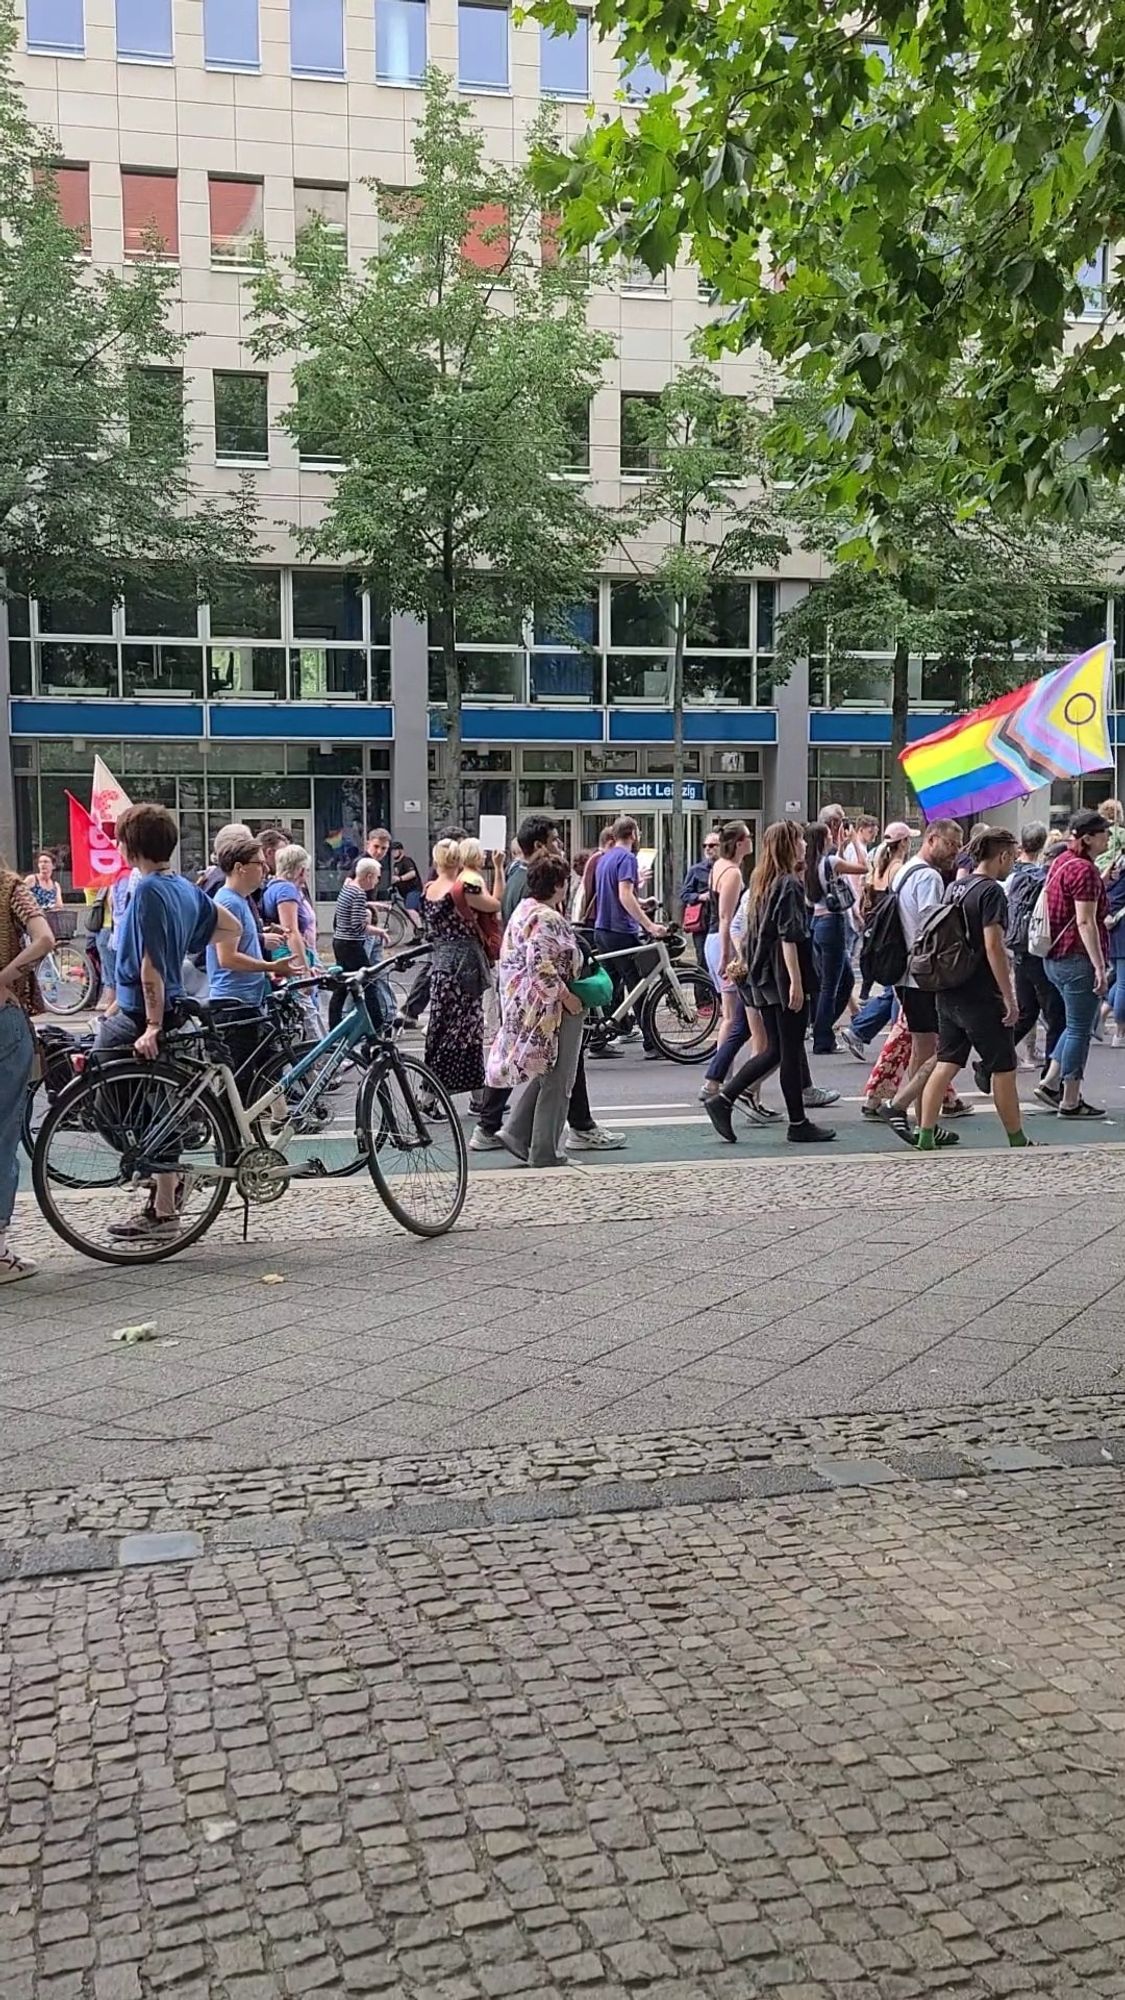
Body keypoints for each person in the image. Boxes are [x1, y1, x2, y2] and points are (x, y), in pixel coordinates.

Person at [96, 803, 238, 1242]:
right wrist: (190, 943)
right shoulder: (182, 887)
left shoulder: (147, 891)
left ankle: (161, 1180)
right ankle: (164, 1195)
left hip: (144, 1010)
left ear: (130, 845)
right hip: (161, 1004)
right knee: (158, 1104)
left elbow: (149, 965)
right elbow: (228, 926)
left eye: (119, 839)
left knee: (106, 1096)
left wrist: (151, 1024)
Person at [703, 819, 836, 1146]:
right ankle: (797, 1122)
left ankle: (725, 1099)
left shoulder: (763, 879)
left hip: (765, 976)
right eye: (801, 841)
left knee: (778, 1049)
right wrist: (796, 982)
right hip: (783, 975)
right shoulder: (789, 883)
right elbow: (788, 935)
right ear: (791, 845)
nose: (805, 845)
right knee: (788, 1051)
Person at [914, 827, 1032, 1150]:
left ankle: (925, 1133)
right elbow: (993, 945)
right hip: (980, 993)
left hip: (949, 988)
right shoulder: (992, 891)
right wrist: (1008, 996)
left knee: (946, 1062)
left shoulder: (956, 886)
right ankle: (1017, 1138)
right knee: (1004, 1067)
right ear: (1004, 856)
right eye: (1012, 857)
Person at [486, 854, 587, 1167]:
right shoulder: (547, 917)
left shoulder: (523, 910)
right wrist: (566, 996)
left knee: (546, 1071)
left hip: (522, 1002)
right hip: (549, 1007)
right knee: (560, 1077)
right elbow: (541, 964)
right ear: (558, 885)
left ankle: (516, 1131)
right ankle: (545, 1151)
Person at [874, 817, 964, 1144]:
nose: (954, 851)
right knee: (928, 1049)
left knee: (921, 1046)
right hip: (923, 972)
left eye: (957, 845)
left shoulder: (906, 870)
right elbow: (932, 923)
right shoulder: (928, 877)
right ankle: (919, 1116)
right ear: (932, 839)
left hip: (905, 970)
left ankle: (919, 1115)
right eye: (950, 844)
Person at [206, 831, 292, 1103]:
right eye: (260, 864)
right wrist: (271, 965)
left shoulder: (239, 900)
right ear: (240, 868)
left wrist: (261, 937)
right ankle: (232, 1139)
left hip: (247, 1001)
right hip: (234, 1005)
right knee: (239, 1082)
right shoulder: (228, 901)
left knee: (267, 1067)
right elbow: (227, 958)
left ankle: (279, 1118)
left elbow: (238, 943)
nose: (266, 869)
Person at [1036, 808, 1111, 1117]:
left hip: (1053, 956)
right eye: (1104, 833)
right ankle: (1070, 1097)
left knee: (1075, 1024)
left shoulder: (1063, 862)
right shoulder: (1084, 870)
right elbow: (1085, 921)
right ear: (1089, 838)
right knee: (1080, 1028)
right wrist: (1098, 966)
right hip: (1076, 957)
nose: (1109, 837)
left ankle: (1052, 1081)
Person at [0, 862, 54, 1279]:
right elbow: (44, 939)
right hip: (4, 1018)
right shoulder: (10, 887)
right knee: (2, 1134)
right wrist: (3, 978)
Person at [421, 836, 500, 1098]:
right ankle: (440, 1095)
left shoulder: (429, 889)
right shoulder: (462, 890)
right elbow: (495, 904)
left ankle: (437, 1092)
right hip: (466, 966)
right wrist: (499, 870)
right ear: (459, 861)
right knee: (467, 1029)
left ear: (436, 860)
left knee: (441, 1028)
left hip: (441, 965)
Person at [593, 816, 668, 1056]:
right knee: (639, 986)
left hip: (602, 929)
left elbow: (614, 894)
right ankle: (651, 1043)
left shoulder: (605, 858)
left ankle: (599, 1038)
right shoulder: (627, 858)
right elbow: (624, 894)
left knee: (612, 986)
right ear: (634, 834)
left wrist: (643, 902)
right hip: (621, 930)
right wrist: (649, 925)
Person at [998, 820, 1063, 1078]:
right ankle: (1051, 1078)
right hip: (1036, 948)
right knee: (1055, 1014)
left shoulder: (1012, 875)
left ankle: (994, 1058)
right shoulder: (1040, 876)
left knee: (1027, 1010)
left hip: (1016, 944)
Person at [805, 820, 867, 1055]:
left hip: (817, 922)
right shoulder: (829, 862)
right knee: (830, 985)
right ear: (822, 840)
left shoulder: (810, 865)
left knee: (845, 979)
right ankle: (823, 1036)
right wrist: (854, 842)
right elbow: (863, 867)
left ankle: (822, 1025)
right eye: (829, 836)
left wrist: (840, 846)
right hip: (832, 922)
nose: (833, 838)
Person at [704, 820, 753, 1055]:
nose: (752, 841)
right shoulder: (732, 872)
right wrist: (727, 956)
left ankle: (721, 1070)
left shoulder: (720, 866)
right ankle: (720, 1071)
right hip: (722, 942)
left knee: (731, 1014)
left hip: (714, 940)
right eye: (749, 837)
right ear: (739, 843)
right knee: (731, 1017)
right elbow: (726, 917)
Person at [330, 857, 386, 1030]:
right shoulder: (359, 893)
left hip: (340, 941)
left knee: (342, 984)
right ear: (368, 876)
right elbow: (357, 926)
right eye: (377, 877)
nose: (377, 882)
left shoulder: (348, 888)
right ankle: (377, 1024)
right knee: (369, 982)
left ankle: (334, 1023)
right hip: (351, 944)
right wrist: (379, 931)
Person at [501, 814, 560, 925]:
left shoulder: (515, 875)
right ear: (538, 845)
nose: (560, 845)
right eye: (554, 840)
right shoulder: (535, 883)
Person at [680, 830, 720, 968]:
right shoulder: (696, 870)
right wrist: (700, 897)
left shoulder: (729, 869)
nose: (708, 849)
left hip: (721, 922)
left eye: (712, 845)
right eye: (705, 845)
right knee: (703, 960)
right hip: (702, 923)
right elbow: (684, 894)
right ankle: (701, 989)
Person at [578, 824, 616, 925]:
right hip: (597, 917)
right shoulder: (601, 860)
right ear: (610, 844)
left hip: (597, 916)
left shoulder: (596, 858)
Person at [365, 827, 394, 899]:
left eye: (384, 848)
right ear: (368, 844)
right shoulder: (362, 863)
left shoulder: (376, 864)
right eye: (376, 846)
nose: (379, 852)